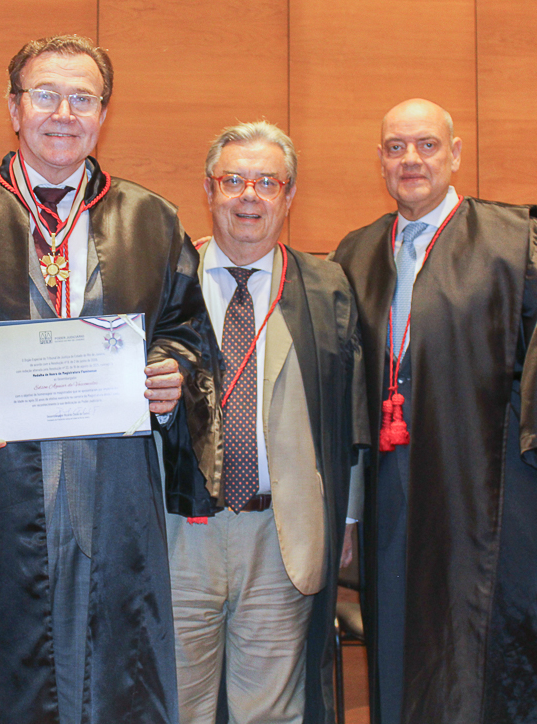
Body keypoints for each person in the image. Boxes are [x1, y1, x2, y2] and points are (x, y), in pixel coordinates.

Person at [0, 35, 218, 724]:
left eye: (82, 98)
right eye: (45, 95)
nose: (63, 113)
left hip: (112, 487)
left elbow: (187, 335)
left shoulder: (151, 220)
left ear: (103, 113)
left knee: (113, 672)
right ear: (14, 108)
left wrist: (172, 378)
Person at [330, 98, 537, 724]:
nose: (411, 159)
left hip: (502, 498)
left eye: (426, 145)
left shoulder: (518, 243)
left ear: (455, 154)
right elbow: (340, 389)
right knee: (403, 655)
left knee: (504, 659)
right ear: (380, 160)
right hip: (396, 497)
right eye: (395, 147)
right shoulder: (355, 254)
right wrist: (348, 511)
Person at [168, 121, 368, 724]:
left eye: (267, 182)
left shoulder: (324, 287)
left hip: (280, 534)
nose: (249, 195)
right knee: (178, 707)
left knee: (271, 713)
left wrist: (347, 518)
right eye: (233, 180)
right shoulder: (166, 281)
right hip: (179, 535)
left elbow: (352, 412)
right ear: (209, 190)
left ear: (289, 196)